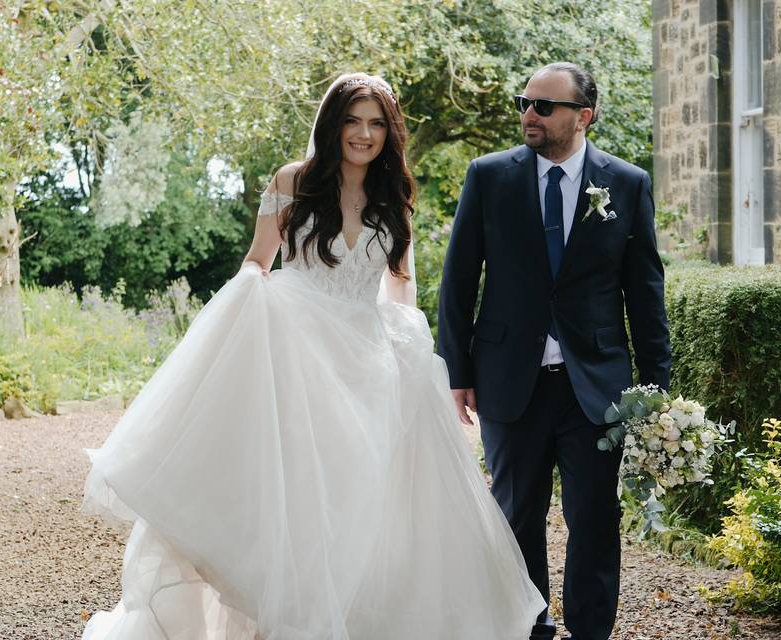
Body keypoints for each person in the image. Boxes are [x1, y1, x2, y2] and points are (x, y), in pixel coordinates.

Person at [80, 72, 544, 640]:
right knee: (292, 495)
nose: (364, 134)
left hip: (364, 364)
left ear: (388, 133)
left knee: (357, 505)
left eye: (376, 123)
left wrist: (410, 348)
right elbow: (258, 260)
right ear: (333, 124)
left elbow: (399, 285)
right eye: (353, 120)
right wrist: (250, 304)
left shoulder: (393, 194)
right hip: (295, 354)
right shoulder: (292, 182)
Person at [437, 62, 671, 640]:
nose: (528, 115)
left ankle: (591, 632)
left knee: (593, 521)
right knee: (515, 520)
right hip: (507, 380)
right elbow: (459, 279)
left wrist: (657, 390)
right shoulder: (488, 176)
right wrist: (456, 370)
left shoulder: (628, 183)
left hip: (595, 388)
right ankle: (529, 629)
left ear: (582, 116)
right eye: (525, 102)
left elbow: (644, 293)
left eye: (543, 106)